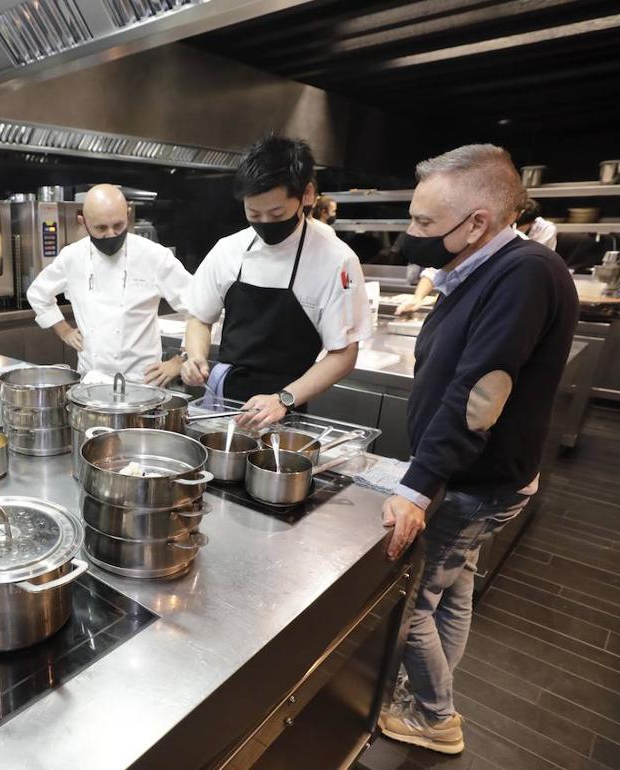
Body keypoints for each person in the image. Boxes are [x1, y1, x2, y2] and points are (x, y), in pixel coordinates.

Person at [377, 145, 578, 755]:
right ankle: (425, 699)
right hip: (476, 478)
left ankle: (435, 717)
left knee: (412, 599)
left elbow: (477, 397)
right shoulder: (480, 269)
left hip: (476, 484)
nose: (412, 235)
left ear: (477, 224)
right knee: (451, 591)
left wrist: (416, 488)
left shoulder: (524, 274)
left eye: (424, 225)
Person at [181, 135, 373, 428]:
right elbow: (199, 317)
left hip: (286, 407)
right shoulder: (229, 249)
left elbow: (343, 354)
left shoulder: (335, 260)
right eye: (254, 214)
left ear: (306, 194)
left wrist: (283, 399)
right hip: (222, 404)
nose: (265, 223)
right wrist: (195, 356)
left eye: (277, 213)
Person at [26, 183, 191, 386]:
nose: (111, 234)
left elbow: (198, 306)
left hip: (143, 383)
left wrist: (180, 360)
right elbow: (38, 293)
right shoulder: (73, 257)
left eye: (118, 225)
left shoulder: (154, 256)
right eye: (101, 228)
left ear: (128, 214)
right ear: (83, 222)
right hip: (91, 382)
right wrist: (64, 330)